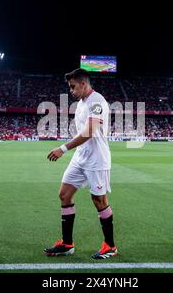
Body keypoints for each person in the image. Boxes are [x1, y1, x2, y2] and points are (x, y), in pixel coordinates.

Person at [44, 68, 117, 260]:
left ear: (83, 84)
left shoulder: (97, 102)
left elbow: (90, 131)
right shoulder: (81, 104)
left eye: (73, 87)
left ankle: (110, 246)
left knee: (99, 200)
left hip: (97, 159)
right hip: (81, 157)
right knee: (64, 194)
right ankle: (67, 244)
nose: (71, 91)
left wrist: (63, 148)